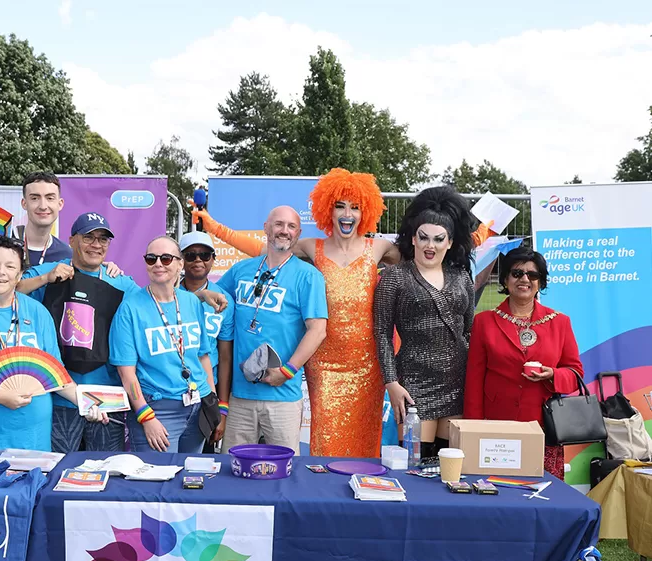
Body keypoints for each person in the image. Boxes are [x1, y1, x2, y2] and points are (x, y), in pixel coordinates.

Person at [191, 169, 494, 457]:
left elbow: (432, 251)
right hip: (324, 365)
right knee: (326, 443)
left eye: (355, 207)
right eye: (340, 206)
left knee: (365, 445)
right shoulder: (312, 247)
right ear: (328, 210)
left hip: (368, 364)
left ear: (366, 213)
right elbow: (262, 248)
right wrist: (213, 227)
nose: (347, 214)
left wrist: (476, 238)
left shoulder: (380, 248)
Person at [0, 236, 91, 451]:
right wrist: (0, 397)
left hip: (34, 442)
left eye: (10, 266)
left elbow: (58, 377)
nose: (1, 272)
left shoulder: (38, 313)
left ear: (19, 275)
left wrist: (89, 404)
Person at [17, 212, 138, 454]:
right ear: (71, 240)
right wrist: (46, 279)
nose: (96, 245)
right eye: (88, 237)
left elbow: (153, 304)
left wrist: (200, 294)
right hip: (61, 395)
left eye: (103, 239)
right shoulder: (51, 271)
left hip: (107, 398)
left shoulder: (120, 281)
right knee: (58, 469)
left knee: (106, 471)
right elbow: (10, 289)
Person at [373, 186, 476, 459]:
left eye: (438, 239)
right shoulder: (395, 277)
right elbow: (382, 333)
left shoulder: (462, 277)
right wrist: (391, 383)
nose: (431, 245)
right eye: (424, 238)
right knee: (414, 460)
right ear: (414, 239)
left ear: (450, 242)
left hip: (458, 379)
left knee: (450, 463)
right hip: (413, 383)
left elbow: (470, 329)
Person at [217, 206, 328, 454]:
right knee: (232, 469)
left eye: (291, 227)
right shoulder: (240, 270)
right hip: (241, 396)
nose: (284, 231)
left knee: (284, 473)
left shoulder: (308, 276)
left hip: (283, 396)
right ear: (266, 228)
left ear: (298, 234)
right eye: (278, 224)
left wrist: (287, 371)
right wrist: (204, 293)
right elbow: (214, 296)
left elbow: (318, 330)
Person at [464, 246, 582, 479]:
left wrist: (552, 375)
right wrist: (473, 429)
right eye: (517, 273)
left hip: (542, 426)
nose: (525, 279)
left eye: (533, 275)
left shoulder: (560, 322)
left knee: (541, 494)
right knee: (495, 490)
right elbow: (474, 380)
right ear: (506, 279)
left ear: (541, 282)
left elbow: (575, 375)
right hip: (495, 426)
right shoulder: (484, 322)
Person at [109, 236, 218, 453]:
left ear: (180, 264)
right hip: (158, 409)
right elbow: (126, 373)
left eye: (166, 258)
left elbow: (202, 355)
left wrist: (213, 400)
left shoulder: (191, 302)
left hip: (198, 406)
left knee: (189, 477)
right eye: (152, 259)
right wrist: (145, 415)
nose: (158, 264)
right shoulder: (130, 309)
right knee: (157, 480)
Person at [178, 231, 235, 446]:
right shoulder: (165, 293)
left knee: (200, 468)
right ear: (180, 260)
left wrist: (222, 408)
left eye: (205, 255)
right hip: (169, 393)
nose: (198, 260)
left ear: (213, 259)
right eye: (191, 255)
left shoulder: (224, 300)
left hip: (205, 394)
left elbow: (225, 356)